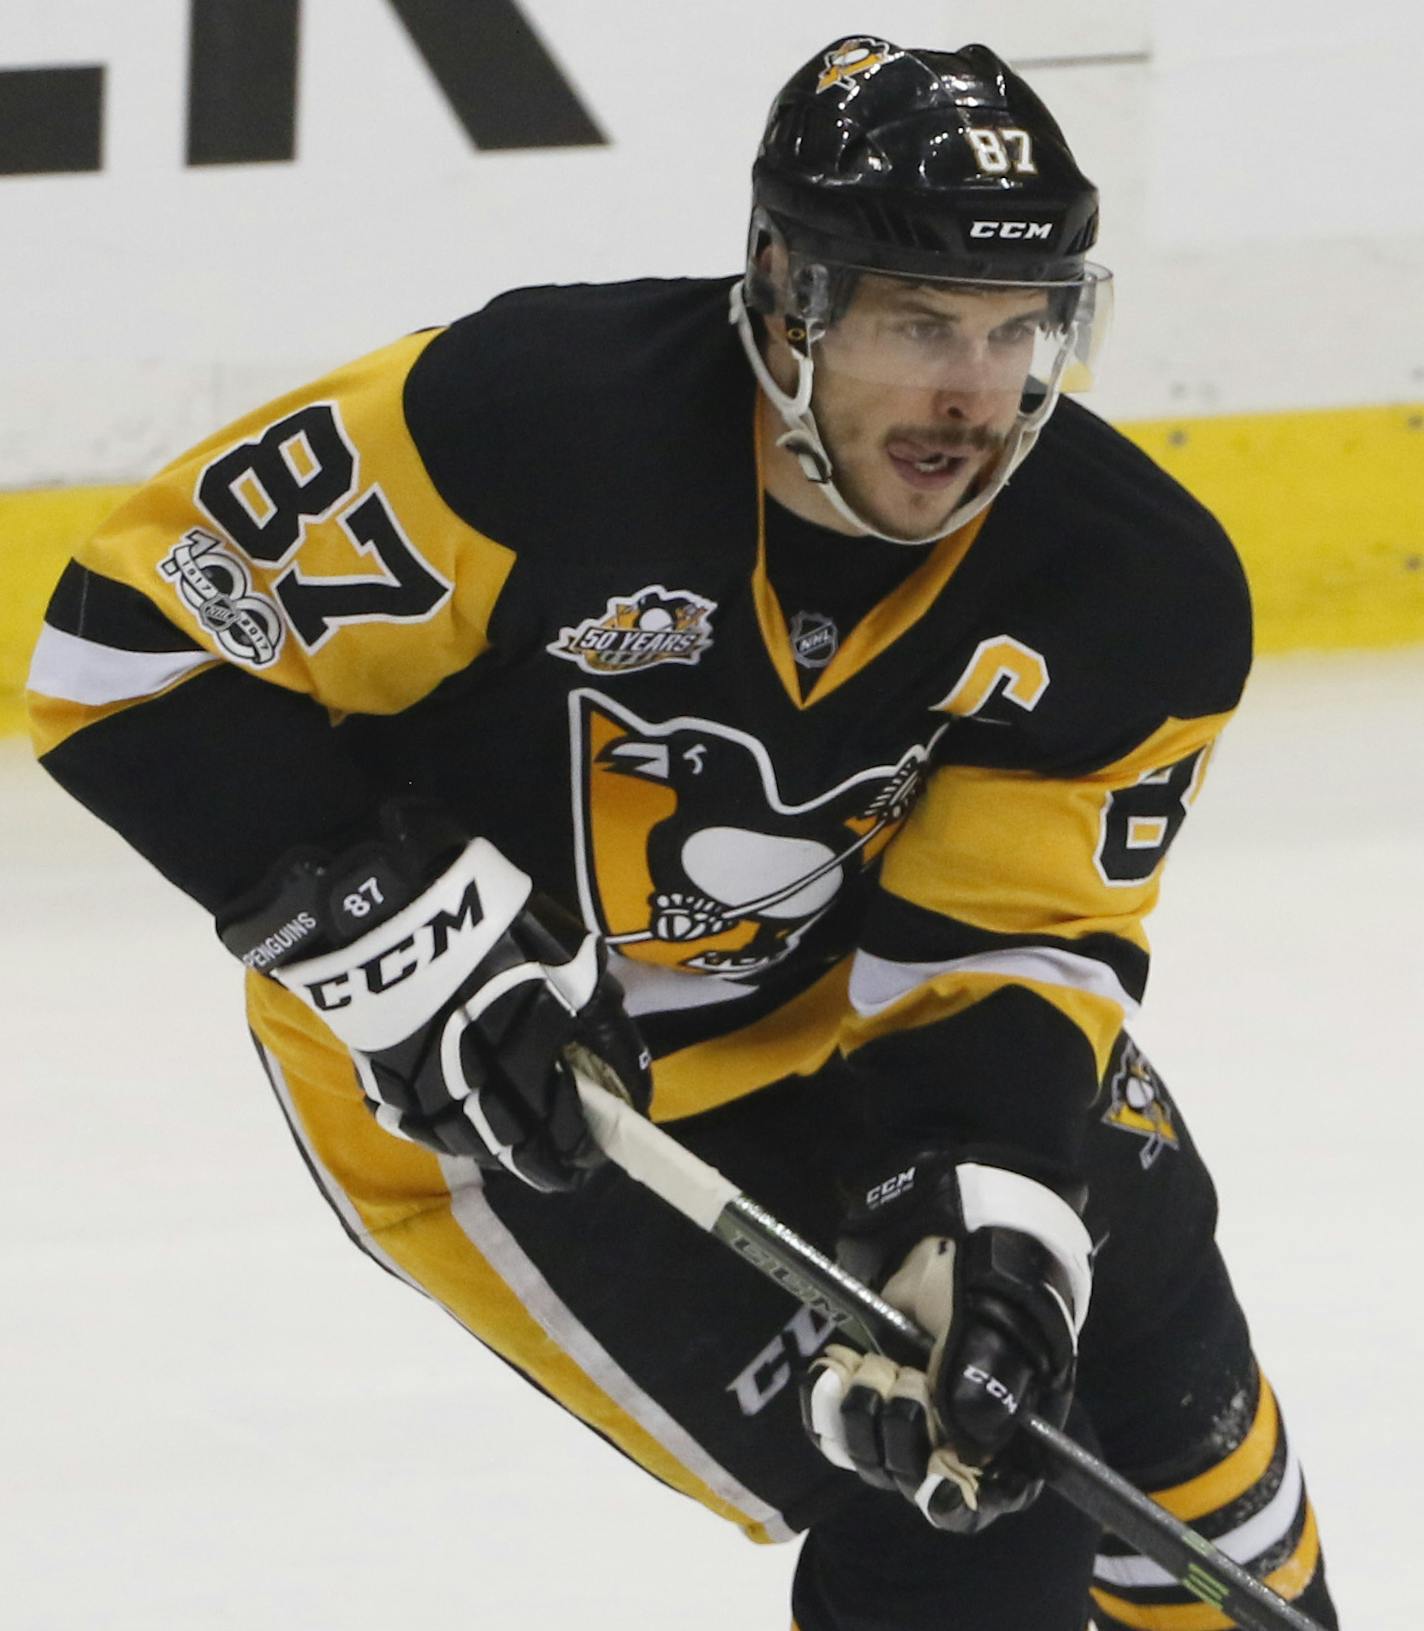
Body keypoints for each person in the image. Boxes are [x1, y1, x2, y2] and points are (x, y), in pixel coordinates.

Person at [27, 35, 1338, 1631]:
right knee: (951, 1509)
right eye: (919, 323)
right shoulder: (524, 427)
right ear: (787, 291)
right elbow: (127, 646)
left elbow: (1005, 937)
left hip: (847, 1032)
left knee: (1194, 1455)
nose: (972, 396)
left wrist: (979, 1199)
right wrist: (411, 946)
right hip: (507, 1116)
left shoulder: (1130, 584)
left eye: (1014, 331)